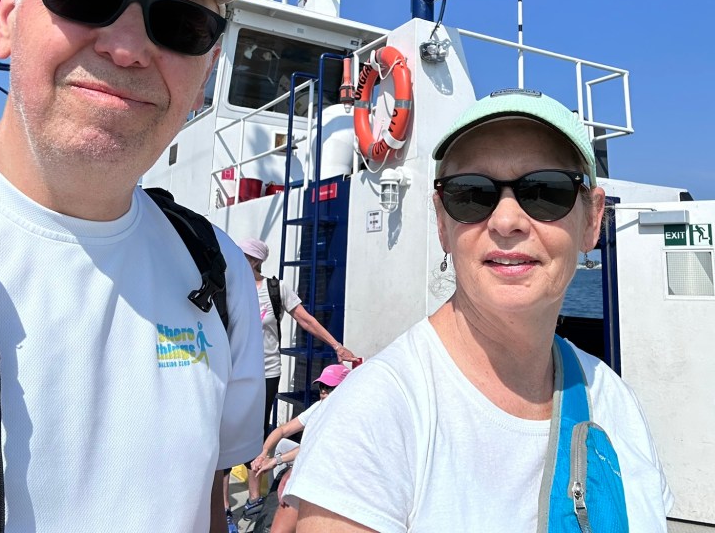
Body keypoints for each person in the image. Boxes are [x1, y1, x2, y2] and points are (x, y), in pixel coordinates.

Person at [0, 0, 265, 533]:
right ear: (7, 15)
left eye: (180, 24)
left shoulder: (218, 273)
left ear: (206, 72)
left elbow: (209, 507)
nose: (126, 48)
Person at [286, 89, 673, 531]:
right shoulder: (375, 418)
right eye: (470, 194)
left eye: (546, 191)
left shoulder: (616, 402)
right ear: (442, 223)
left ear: (592, 219)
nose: (506, 221)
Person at [227, 238, 357, 524]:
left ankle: (254, 498)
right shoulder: (229, 285)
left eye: (243, 255)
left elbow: (306, 320)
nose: (236, 258)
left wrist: (337, 346)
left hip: (266, 372)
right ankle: (224, 509)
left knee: (257, 433)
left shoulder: (277, 289)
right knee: (225, 432)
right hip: (233, 372)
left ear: (255, 261)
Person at [248, 364, 351, 533]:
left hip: (331, 473)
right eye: (321, 387)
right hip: (312, 457)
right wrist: (263, 452)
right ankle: (275, 500)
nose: (323, 392)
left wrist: (276, 461)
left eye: (329, 388)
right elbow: (283, 430)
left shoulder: (343, 416)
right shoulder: (319, 406)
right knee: (282, 445)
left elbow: (312, 448)